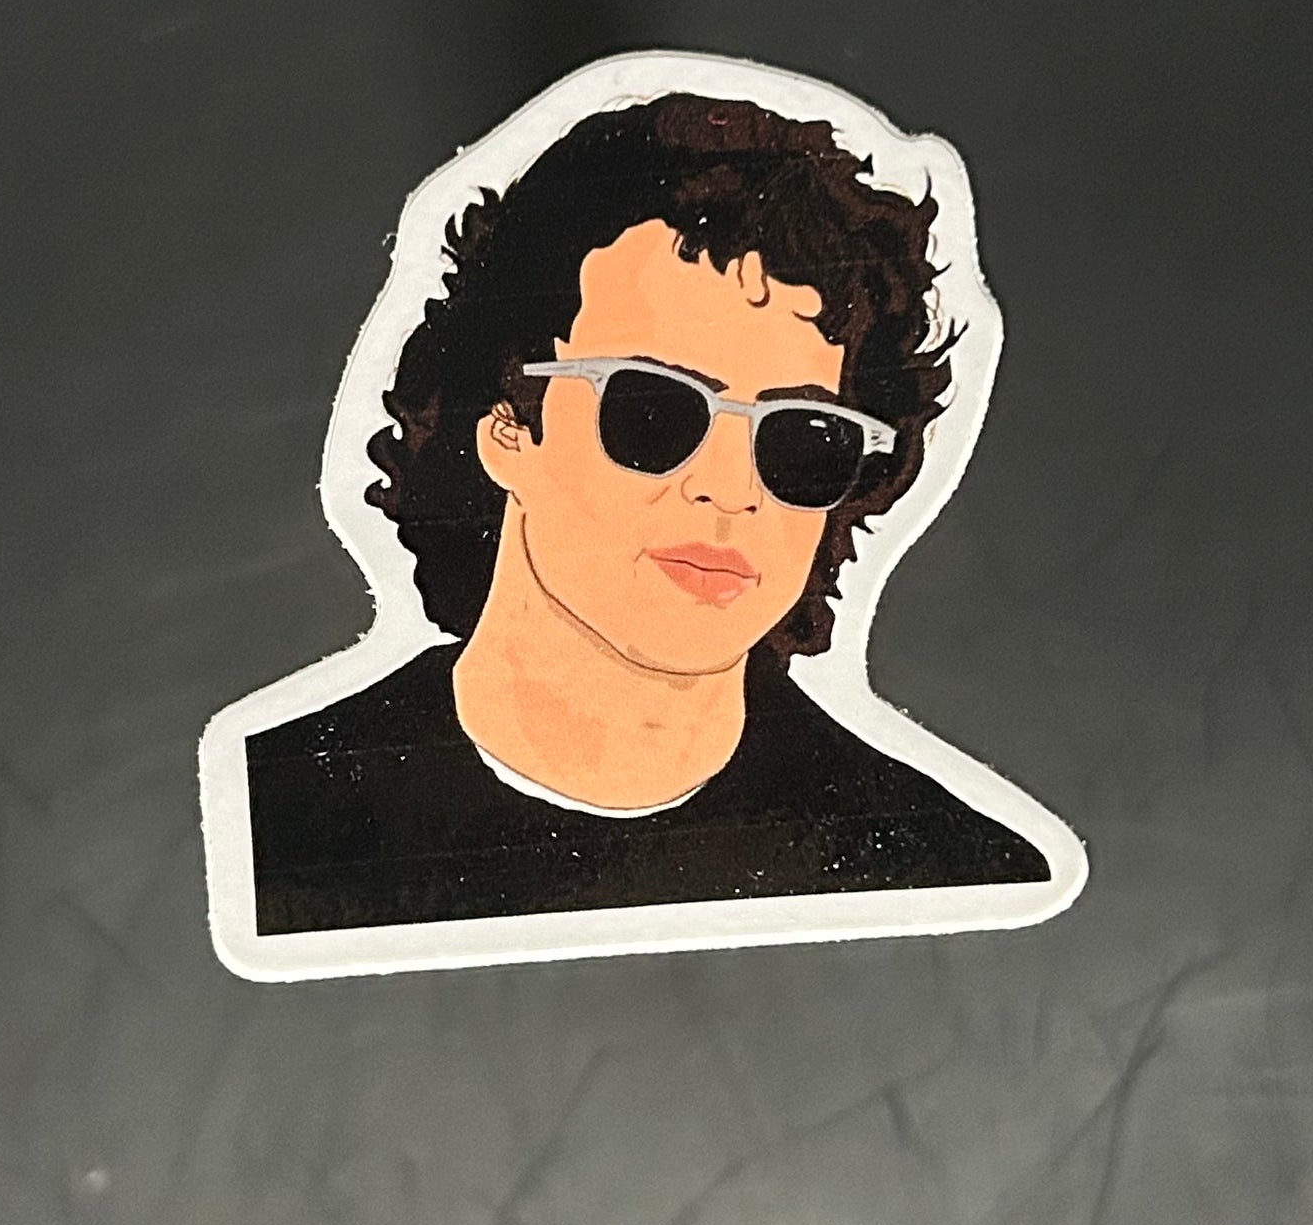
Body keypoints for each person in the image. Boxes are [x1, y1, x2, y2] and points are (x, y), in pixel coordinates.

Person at [246, 91, 1051, 933]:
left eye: (803, 441)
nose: (730, 489)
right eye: (653, 412)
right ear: (508, 425)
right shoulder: (281, 830)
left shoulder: (939, 870)